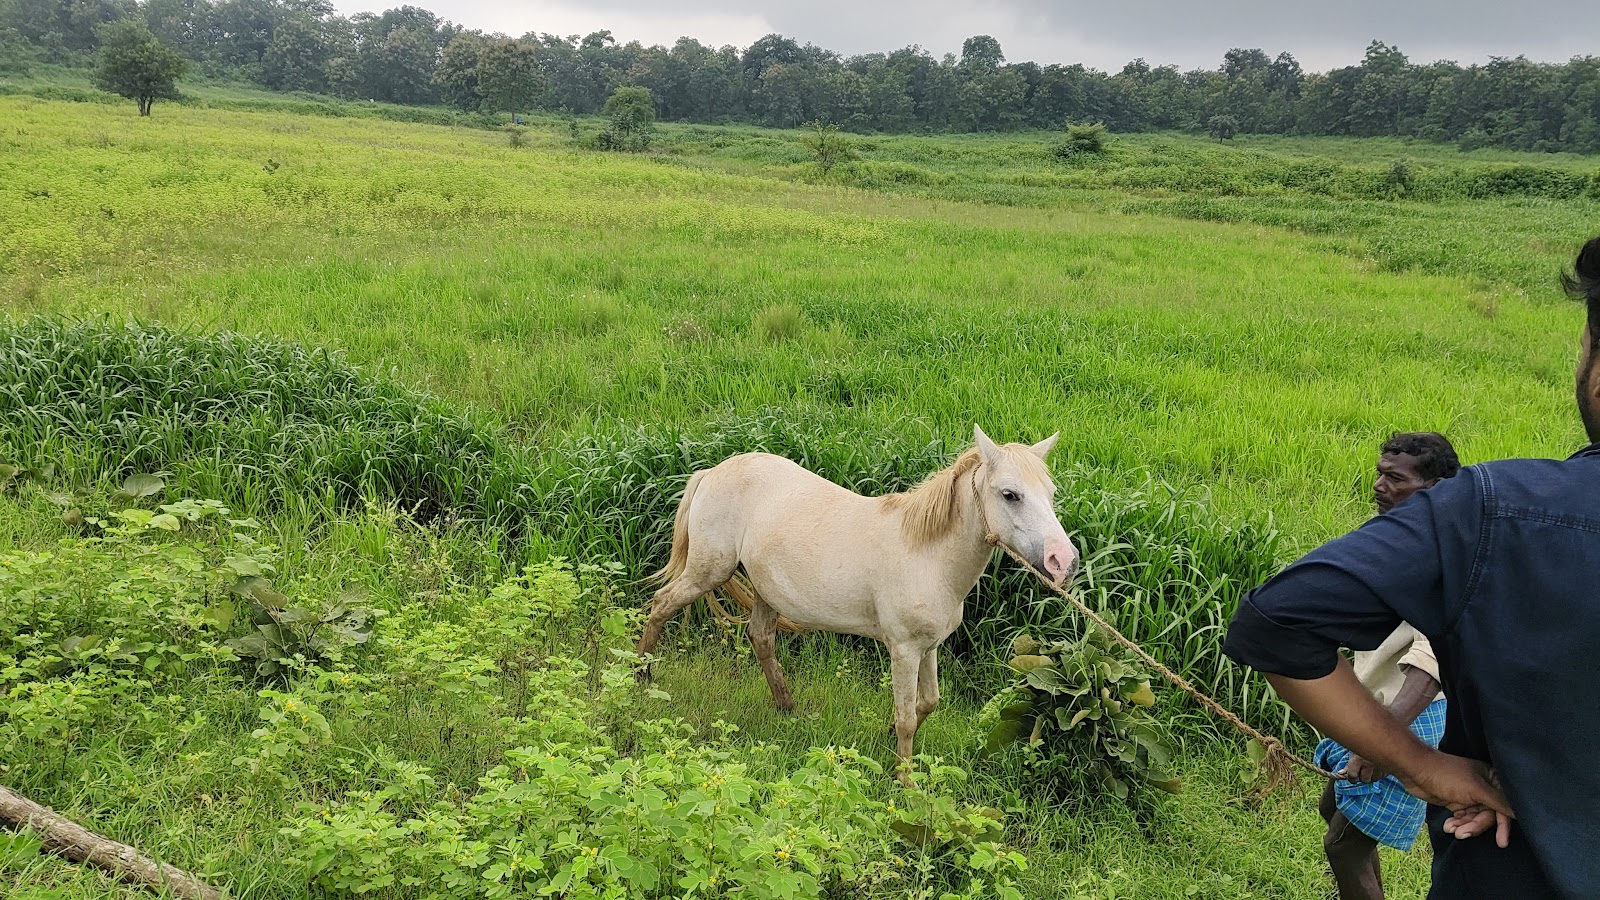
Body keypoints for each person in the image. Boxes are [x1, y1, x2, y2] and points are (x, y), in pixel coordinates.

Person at [1222, 236, 1600, 900]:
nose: (1381, 487)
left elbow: (1275, 622)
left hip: (1506, 866)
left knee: (1345, 840)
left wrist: (1421, 763)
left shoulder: (1493, 519)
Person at [1314, 433, 1458, 900]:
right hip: (1370, 703)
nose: (1379, 485)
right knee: (1333, 806)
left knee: (1343, 846)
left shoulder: (1441, 555)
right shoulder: (1394, 535)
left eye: (1394, 478)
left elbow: (1431, 661)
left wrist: (1382, 745)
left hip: (1408, 714)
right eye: (1379, 473)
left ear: (1433, 488)